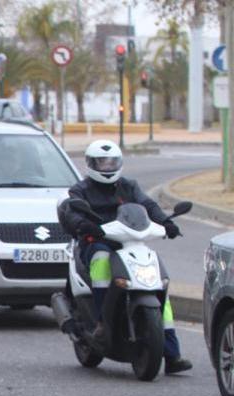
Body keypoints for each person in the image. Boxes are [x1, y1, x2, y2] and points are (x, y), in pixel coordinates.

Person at [60, 139, 192, 374]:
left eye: (112, 162)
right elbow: (71, 212)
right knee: (100, 258)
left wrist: (165, 223)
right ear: (91, 164)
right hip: (98, 241)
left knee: (159, 283)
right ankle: (101, 320)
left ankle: (172, 353)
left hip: (130, 242)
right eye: (102, 162)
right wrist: (85, 225)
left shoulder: (129, 186)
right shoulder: (80, 190)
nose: (107, 166)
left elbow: (148, 205)